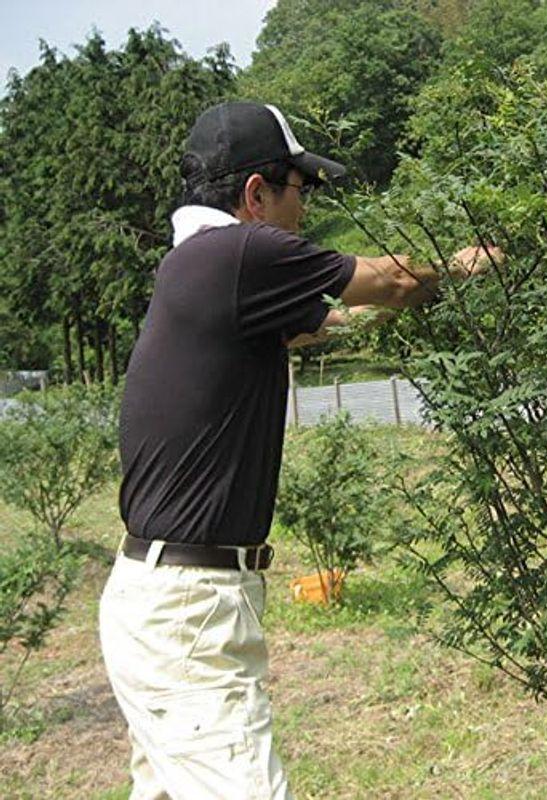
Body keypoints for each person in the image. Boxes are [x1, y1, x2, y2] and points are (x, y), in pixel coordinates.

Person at [98, 101, 498, 800]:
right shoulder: (240, 251)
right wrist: (466, 267)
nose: (305, 208)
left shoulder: (202, 266)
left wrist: (393, 304)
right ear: (256, 194)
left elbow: (325, 325)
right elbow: (395, 282)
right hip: (190, 612)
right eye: (299, 188)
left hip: (163, 600)